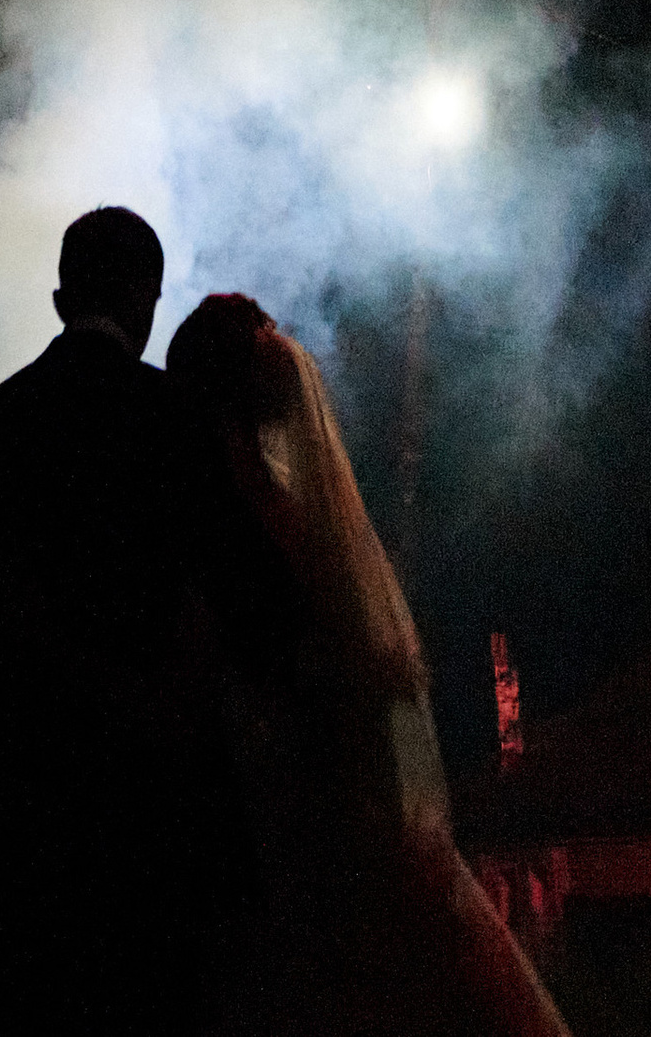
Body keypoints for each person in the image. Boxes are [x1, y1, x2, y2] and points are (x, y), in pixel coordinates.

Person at [166, 290, 570, 1037]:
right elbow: (375, 662)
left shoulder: (200, 530)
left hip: (264, 840)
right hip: (340, 819)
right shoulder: (303, 521)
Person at [0, 209, 264, 1036]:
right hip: (157, 844)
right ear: (149, 301)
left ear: (57, 297)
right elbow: (240, 614)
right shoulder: (179, 424)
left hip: (17, 843)